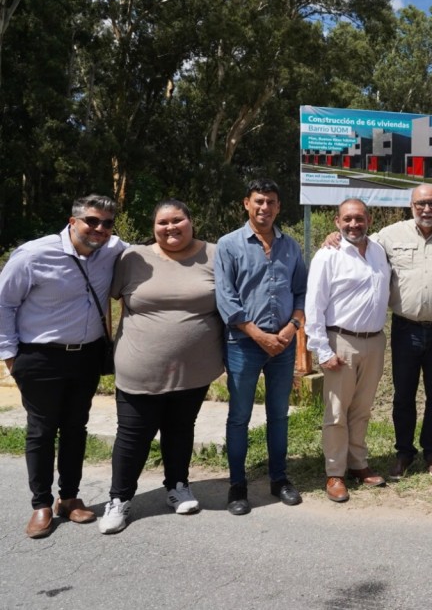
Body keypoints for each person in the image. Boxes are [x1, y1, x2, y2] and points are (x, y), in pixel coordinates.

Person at [0, 194, 124, 538]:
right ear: (73, 222)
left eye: (107, 223)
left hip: (86, 355)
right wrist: (11, 359)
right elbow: (3, 305)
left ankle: (68, 498)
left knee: (75, 428)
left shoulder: (112, 250)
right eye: (92, 221)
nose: (99, 229)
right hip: (39, 357)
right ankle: (40, 504)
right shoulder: (33, 255)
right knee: (41, 431)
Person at [97, 200, 223, 534]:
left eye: (177, 220)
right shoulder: (132, 257)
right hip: (139, 365)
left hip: (195, 368)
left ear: (191, 221)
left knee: (181, 428)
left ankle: (177, 486)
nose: (171, 228)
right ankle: (119, 500)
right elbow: (108, 299)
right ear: (153, 227)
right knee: (133, 435)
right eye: (163, 222)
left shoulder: (215, 254)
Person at [215, 179, 307, 516]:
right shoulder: (228, 245)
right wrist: (258, 335)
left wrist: (292, 327)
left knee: (278, 415)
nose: (264, 207)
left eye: (271, 201)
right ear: (246, 204)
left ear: (279, 207)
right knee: (239, 416)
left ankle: (279, 478)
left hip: (283, 342)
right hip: (243, 343)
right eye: (258, 201)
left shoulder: (291, 246)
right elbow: (226, 298)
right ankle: (237, 485)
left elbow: (300, 291)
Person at [306, 198, 390, 503]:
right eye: (347, 219)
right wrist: (322, 350)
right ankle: (335, 472)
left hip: (375, 341)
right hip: (341, 341)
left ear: (369, 219)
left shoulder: (379, 250)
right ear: (336, 222)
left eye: (359, 218)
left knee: (362, 408)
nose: (353, 224)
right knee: (337, 411)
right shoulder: (328, 254)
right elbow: (314, 304)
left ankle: (358, 463)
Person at [372, 184, 432, 480]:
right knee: (403, 393)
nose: (426, 209)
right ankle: (404, 452)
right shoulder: (389, 235)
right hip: (405, 328)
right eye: (421, 203)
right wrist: (335, 238)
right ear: (411, 205)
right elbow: (356, 246)